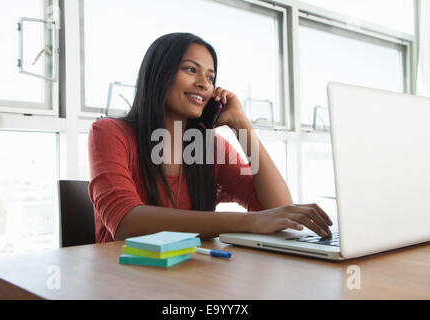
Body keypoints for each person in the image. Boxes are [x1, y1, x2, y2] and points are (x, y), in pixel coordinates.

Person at [88, 32, 333, 243]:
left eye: (210, 77)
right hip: (122, 279)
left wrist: (241, 125)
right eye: (191, 70)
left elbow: (277, 210)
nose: (204, 84)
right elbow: (126, 223)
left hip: (191, 274)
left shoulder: (211, 147)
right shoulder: (110, 132)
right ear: (160, 74)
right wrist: (248, 222)